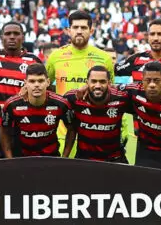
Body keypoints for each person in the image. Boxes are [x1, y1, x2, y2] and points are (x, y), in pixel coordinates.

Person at [46, 10, 114, 153]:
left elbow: (111, 93)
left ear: (91, 30)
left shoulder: (104, 58)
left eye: (83, 28)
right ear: (68, 30)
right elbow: (45, 87)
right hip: (61, 131)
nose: (79, 31)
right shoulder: (55, 57)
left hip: (93, 132)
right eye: (75, 27)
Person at [0, 22, 42, 158]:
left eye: (16, 34)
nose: (12, 37)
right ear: (2, 38)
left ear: (23, 37)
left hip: (23, 127)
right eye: (8, 34)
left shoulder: (33, 60)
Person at [1, 63, 75, 158]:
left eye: (40, 81)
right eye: (32, 81)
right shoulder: (12, 105)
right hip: (21, 159)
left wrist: (65, 157)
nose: (36, 85)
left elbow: (72, 129)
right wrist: (9, 159)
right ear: (25, 83)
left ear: (48, 82)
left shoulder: (61, 104)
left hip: (51, 157)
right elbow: (4, 130)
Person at [63, 66, 131, 163]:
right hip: (84, 160)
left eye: (102, 81)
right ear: (87, 83)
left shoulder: (121, 98)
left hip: (114, 160)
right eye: (93, 81)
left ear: (109, 83)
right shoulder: (73, 98)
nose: (98, 85)